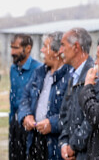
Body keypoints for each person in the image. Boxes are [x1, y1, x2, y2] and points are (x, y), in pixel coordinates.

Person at [17, 32, 71, 160]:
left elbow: (72, 113)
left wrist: (52, 124)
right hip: (34, 140)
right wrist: (26, 115)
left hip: (55, 145)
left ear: (57, 51)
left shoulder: (69, 77)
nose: (41, 50)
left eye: (45, 46)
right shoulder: (39, 73)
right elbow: (24, 98)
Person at [58, 27, 94, 160]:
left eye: (63, 45)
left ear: (76, 47)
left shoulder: (93, 75)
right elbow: (65, 114)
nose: (60, 51)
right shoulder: (73, 76)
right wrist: (64, 143)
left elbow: (91, 118)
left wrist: (74, 146)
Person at [9, 34, 41, 160]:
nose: (12, 52)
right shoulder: (13, 69)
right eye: (11, 48)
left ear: (28, 48)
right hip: (14, 123)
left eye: (16, 48)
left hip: (29, 124)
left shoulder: (38, 69)